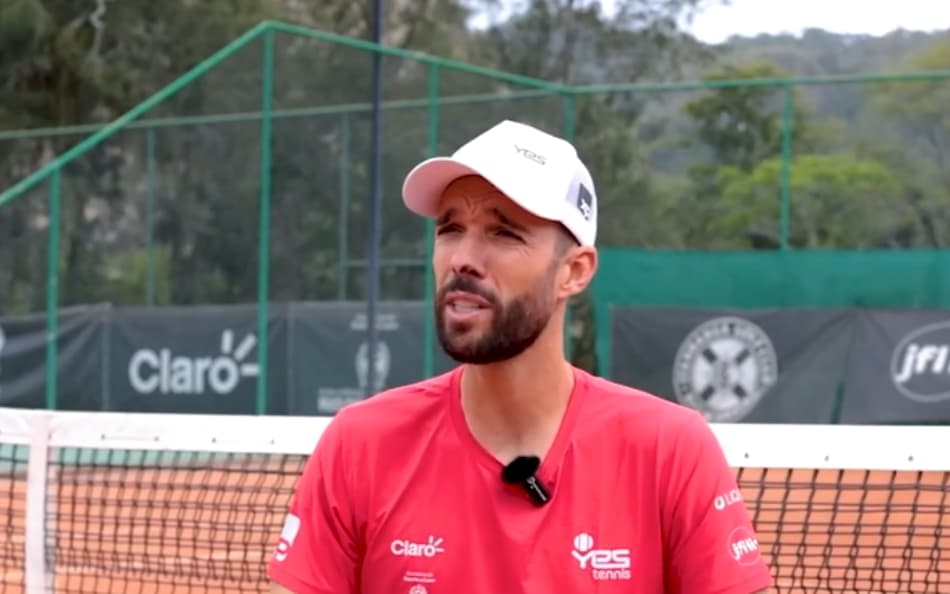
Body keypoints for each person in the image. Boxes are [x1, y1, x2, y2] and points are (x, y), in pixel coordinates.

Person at [267, 120, 774, 594]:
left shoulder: (671, 450)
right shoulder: (360, 444)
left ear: (573, 272)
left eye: (502, 232)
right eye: (449, 228)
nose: (462, 257)